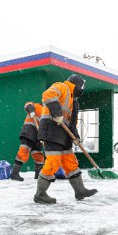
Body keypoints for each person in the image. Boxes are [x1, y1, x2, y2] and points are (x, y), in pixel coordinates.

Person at [33, 74, 97, 204]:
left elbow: (72, 123)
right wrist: (56, 113)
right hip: (51, 129)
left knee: (70, 162)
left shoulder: (74, 103)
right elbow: (48, 95)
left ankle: (80, 191)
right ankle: (40, 194)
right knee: (53, 162)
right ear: (77, 86)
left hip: (64, 134)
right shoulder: (62, 86)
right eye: (81, 88)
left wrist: (76, 137)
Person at [10, 101, 46, 181]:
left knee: (38, 155)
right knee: (23, 152)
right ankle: (15, 174)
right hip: (29, 132)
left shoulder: (47, 113)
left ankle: (39, 175)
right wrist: (31, 109)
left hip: (38, 136)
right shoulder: (36, 106)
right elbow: (28, 104)